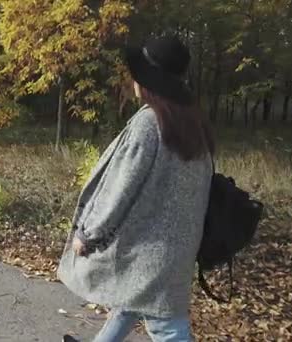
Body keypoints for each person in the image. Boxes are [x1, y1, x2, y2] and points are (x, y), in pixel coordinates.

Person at [57, 35, 215, 342]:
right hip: (176, 246)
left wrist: (88, 234)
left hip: (150, 251)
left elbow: (120, 187)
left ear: (149, 82)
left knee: (167, 326)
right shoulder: (192, 122)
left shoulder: (149, 124)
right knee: (129, 300)